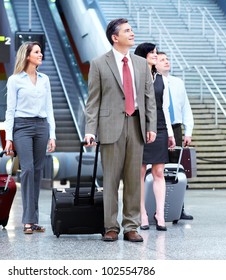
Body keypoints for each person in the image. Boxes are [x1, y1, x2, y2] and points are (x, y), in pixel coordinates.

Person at [84, 18, 157, 242]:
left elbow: (149, 98)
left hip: (136, 125)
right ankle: (110, 226)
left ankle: (131, 226)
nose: (132, 33)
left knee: (134, 179)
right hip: (110, 127)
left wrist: (151, 125)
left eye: (132, 30)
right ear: (115, 37)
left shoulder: (141, 64)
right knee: (111, 180)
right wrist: (90, 130)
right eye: (127, 31)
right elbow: (93, 100)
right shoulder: (98, 64)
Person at [4, 41, 56, 234]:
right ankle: (27, 219)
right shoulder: (15, 80)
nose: (40, 54)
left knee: (37, 171)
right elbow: (10, 111)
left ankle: (33, 220)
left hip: (42, 126)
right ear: (27, 56)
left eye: (41, 52)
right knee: (27, 169)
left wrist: (52, 134)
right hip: (22, 127)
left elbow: (49, 108)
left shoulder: (45, 79)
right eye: (36, 52)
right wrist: (9, 137)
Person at [134, 43, 176, 231]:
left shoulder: (162, 80)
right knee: (140, 173)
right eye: (151, 52)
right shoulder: (135, 76)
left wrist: (171, 133)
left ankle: (159, 214)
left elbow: (165, 108)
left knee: (159, 172)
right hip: (139, 126)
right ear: (143, 56)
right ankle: (141, 213)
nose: (155, 55)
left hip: (159, 127)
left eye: (156, 52)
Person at [156, 51, 194, 220]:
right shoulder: (153, 82)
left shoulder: (178, 83)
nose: (166, 62)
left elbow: (186, 108)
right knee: (157, 169)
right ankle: (156, 208)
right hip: (158, 128)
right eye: (162, 59)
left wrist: (188, 131)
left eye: (167, 59)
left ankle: (179, 208)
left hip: (176, 128)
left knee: (176, 170)